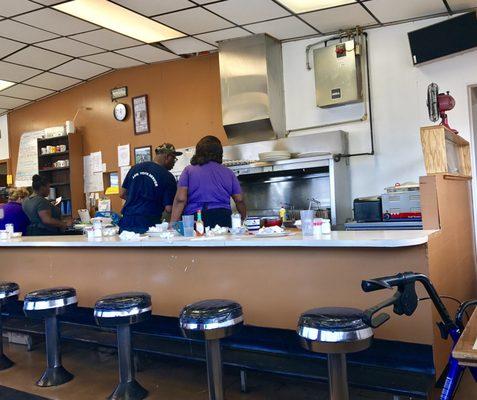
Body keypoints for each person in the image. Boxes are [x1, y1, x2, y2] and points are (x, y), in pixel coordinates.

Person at [171, 135, 246, 228]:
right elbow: (239, 199)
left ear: (198, 151)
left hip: (197, 217)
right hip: (223, 217)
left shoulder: (188, 171)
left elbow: (180, 199)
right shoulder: (228, 172)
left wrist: (173, 224)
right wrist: (244, 218)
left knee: (198, 241)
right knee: (223, 242)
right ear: (219, 153)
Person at [119, 143, 182, 233]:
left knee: (127, 246)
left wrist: (137, 199)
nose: (174, 163)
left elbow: (122, 194)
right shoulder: (167, 176)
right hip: (148, 222)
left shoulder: (135, 168)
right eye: (174, 159)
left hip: (127, 220)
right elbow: (169, 208)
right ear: (168, 157)